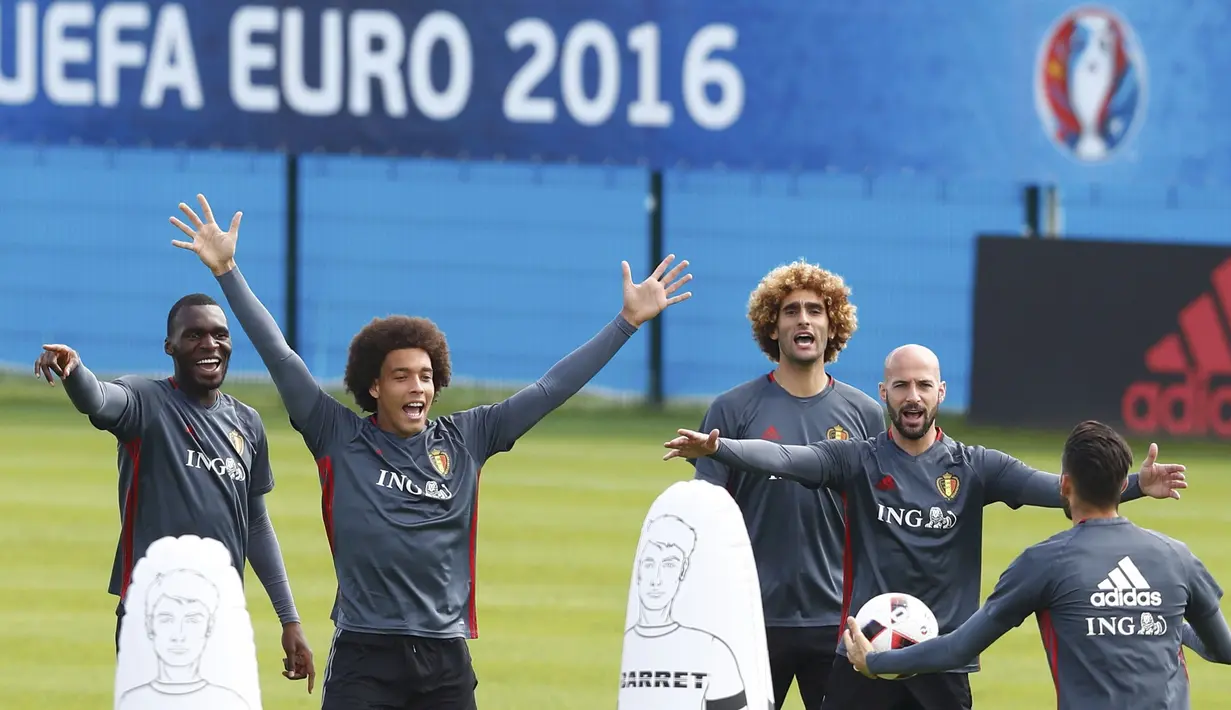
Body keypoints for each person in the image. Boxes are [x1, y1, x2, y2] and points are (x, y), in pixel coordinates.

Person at [168, 193, 694, 709]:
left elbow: (550, 389)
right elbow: (279, 356)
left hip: (445, 660)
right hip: (364, 654)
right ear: (374, 387)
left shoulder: (468, 438)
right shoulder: (338, 435)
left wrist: (625, 324)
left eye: (425, 376)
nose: (417, 387)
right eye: (401, 376)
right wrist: (228, 271)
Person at [663, 344, 1188, 710]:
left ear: (940, 391)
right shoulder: (855, 460)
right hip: (865, 654)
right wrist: (720, 447)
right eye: (900, 386)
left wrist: (1136, 485)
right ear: (883, 393)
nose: (911, 396)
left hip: (942, 664)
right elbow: (784, 456)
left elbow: (1062, 491)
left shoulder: (976, 466)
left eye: (921, 386)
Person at [842, 420, 1231, 710]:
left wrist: (877, 661)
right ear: (1122, 485)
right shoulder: (1178, 557)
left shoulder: (1043, 562)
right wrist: (1164, 622)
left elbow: (960, 648)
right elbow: (1222, 650)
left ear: (1064, 485)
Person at [33, 295, 316, 692]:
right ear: (170, 346)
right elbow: (98, 400)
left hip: (222, 618)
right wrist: (75, 372)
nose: (210, 344)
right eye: (194, 335)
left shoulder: (247, 424)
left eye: (220, 335)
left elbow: (255, 523)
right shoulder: (146, 403)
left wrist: (290, 620)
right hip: (153, 617)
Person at [691, 260, 884, 709]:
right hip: (751, 619)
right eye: (791, 311)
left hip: (838, 620)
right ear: (771, 327)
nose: (803, 319)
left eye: (815, 311)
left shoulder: (865, 414)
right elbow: (707, 514)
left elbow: (878, 517)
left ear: (831, 325)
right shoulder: (732, 409)